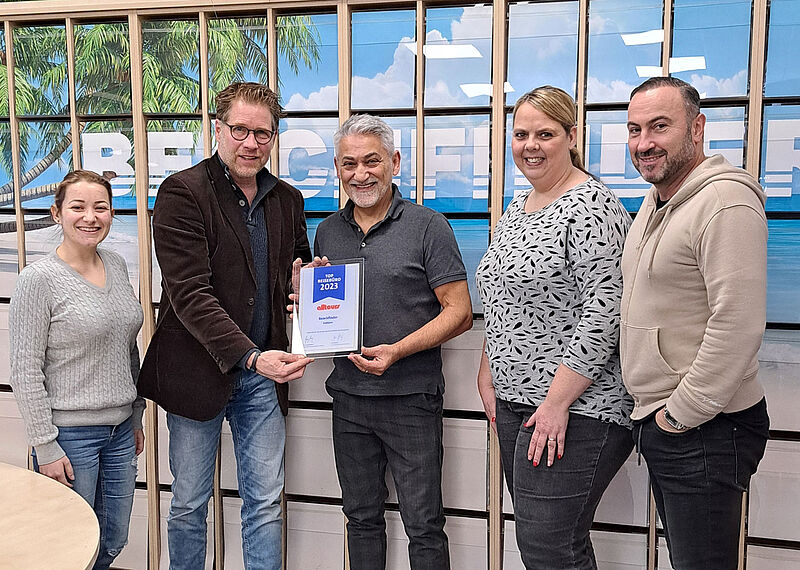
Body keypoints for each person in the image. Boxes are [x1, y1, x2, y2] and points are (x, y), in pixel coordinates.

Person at [137, 82, 313, 569]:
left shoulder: (288, 199)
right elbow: (190, 295)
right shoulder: (183, 192)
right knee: (190, 503)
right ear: (217, 129)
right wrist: (253, 356)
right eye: (240, 130)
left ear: (274, 137)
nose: (250, 143)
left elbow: (294, 267)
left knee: (265, 503)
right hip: (200, 373)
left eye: (262, 133)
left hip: (263, 379)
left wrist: (303, 282)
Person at [475, 86, 634, 569]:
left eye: (545, 134)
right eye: (521, 134)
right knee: (553, 543)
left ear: (572, 135)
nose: (530, 145)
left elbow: (605, 313)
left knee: (547, 546)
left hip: (577, 407)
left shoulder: (591, 205)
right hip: (517, 403)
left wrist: (557, 402)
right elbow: (503, 295)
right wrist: (488, 368)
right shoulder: (520, 206)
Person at [311, 114, 473, 569]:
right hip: (348, 398)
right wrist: (306, 305)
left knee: (424, 524)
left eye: (371, 161)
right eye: (348, 164)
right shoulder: (327, 231)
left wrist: (398, 351)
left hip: (410, 400)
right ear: (338, 169)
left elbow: (459, 313)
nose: (360, 174)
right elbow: (327, 306)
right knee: (360, 518)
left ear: (394, 162)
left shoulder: (428, 226)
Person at [621, 76, 769, 569]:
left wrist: (678, 416)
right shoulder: (655, 202)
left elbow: (739, 325)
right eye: (635, 129)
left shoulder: (725, 202)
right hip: (667, 420)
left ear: (697, 127)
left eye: (660, 127)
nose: (645, 143)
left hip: (704, 425)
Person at [10, 170, 145, 569]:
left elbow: (127, 348)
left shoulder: (117, 265)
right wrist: (45, 445)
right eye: (78, 207)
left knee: (112, 540)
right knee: (66, 549)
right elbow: (24, 370)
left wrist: (134, 415)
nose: (90, 216)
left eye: (100, 207)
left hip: (120, 433)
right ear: (57, 214)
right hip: (68, 438)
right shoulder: (38, 280)